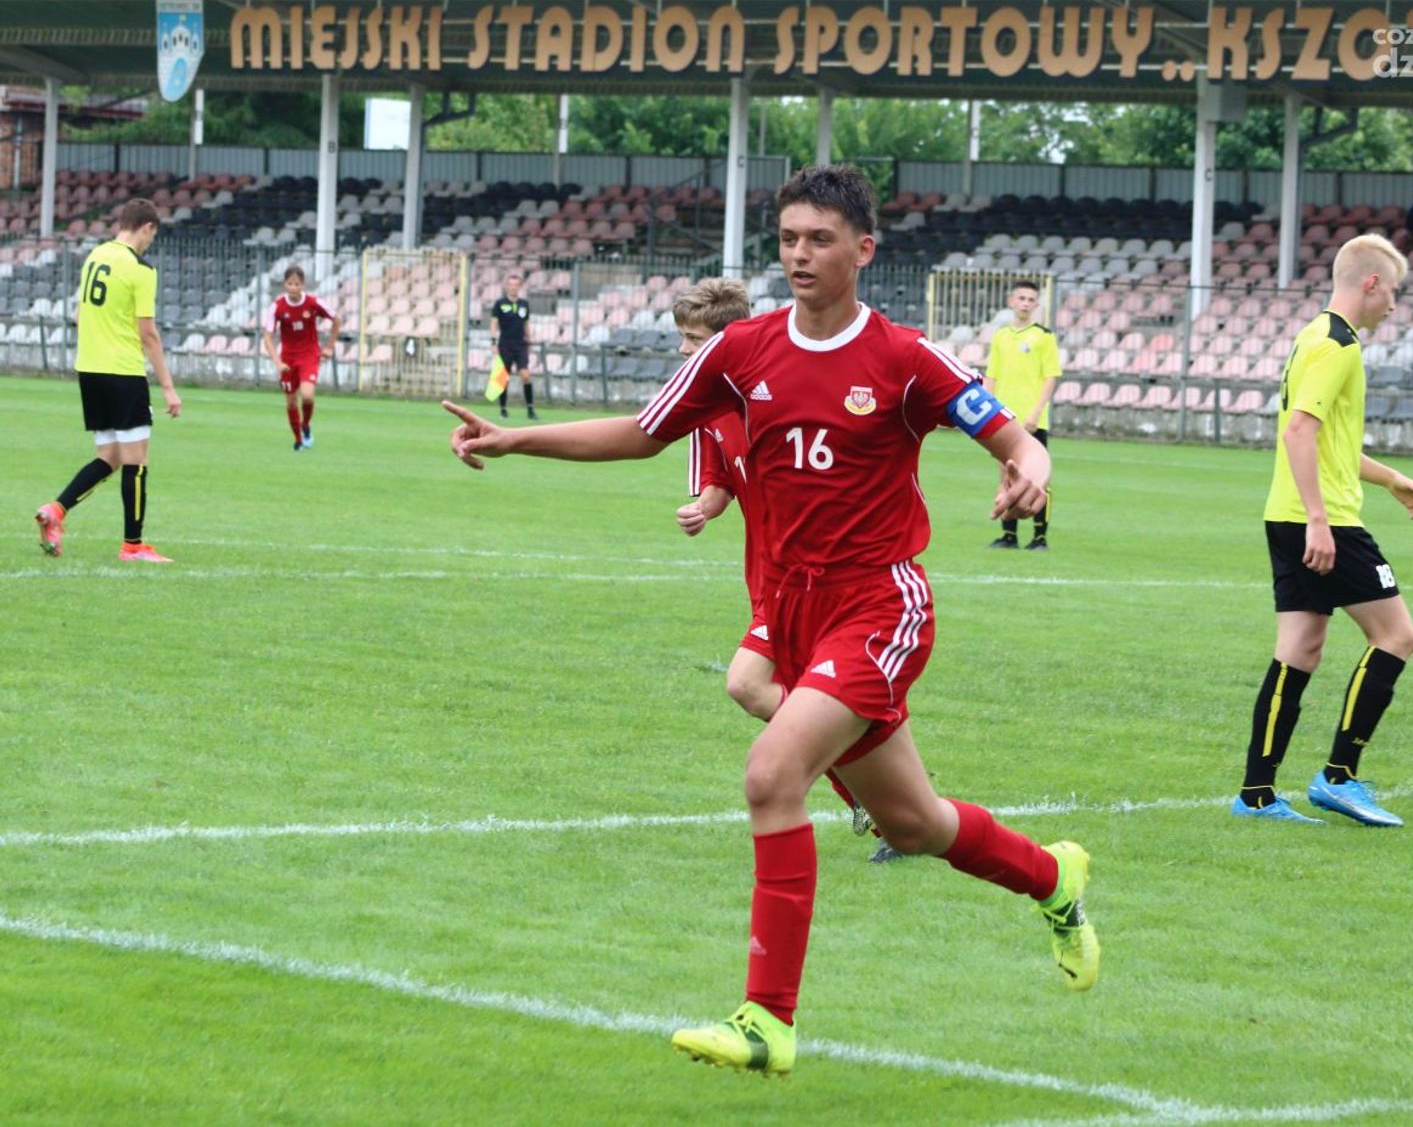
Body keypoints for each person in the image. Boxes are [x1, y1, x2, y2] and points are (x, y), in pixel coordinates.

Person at [443, 165, 1100, 1077]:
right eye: (789, 238)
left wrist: (1031, 468)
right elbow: (643, 431)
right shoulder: (740, 350)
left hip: (878, 603)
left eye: (819, 239)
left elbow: (1012, 433)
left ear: (863, 250)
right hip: (790, 612)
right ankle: (1053, 877)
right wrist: (516, 438)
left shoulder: (904, 357)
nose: (800, 254)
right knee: (914, 824)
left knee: (771, 773)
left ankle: (767, 1022)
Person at [670, 277, 878, 852]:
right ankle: (878, 795)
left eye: (694, 339)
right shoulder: (706, 406)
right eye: (682, 338)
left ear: (727, 340)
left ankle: (871, 785)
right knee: (809, 696)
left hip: (818, 575)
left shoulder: (782, 390)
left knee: (748, 683)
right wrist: (703, 508)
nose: (684, 350)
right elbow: (720, 481)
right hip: (768, 578)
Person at [1233, 233, 1413, 827]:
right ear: (1371, 283)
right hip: (1325, 520)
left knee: (1300, 648)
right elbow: (1299, 432)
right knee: (1397, 636)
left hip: (1286, 514)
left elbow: (1328, 442)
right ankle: (1339, 776)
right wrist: (1320, 521)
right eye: (1393, 291)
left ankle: (1256, 793)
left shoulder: (1313, 335)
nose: (1393, 305)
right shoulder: (1339, 346)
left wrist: (1391, 479)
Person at [33, 198, 181, 563]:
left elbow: (79, 316)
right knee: (137, 459)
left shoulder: (95, 256)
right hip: (123, 371)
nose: (150, 243)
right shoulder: (141, 269)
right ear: (147, 227)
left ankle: (56, 510)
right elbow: (148, 334)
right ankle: (133, 545)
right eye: (152, 236)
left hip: (90, 370)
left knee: (110, 456)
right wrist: (168, 387)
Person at [983, 279, 1060, 551]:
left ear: (1036, 305)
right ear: (1011, 301)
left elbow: (1050, 377)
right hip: (1004, 420)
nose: (1025, 303)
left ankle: (1039, 538)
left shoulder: (1044, 336)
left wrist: (1036, 413)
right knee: (1007, 476)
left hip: (1032, 420)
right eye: (1021, 298)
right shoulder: (1001, 336)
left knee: (1038, 479)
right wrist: (988, 411)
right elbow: (991, 376)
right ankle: (1009, 536)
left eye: (1030, 300)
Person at [261, 265, 337, 451]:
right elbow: (267, 336)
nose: (293, 287)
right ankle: (298, 440)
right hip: (288, 359)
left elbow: (337, 319)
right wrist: (278, 362)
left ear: (303, 285)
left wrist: (329, 346)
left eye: (297, 284)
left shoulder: (313, 303)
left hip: (309, 355)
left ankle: (306, 425)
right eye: (290, 284)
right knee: (291, 401)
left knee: (307, 396)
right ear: (285, 284)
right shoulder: (277, 307)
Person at [488, 273, 537, 420]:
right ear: (506, 286)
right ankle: (503, 409)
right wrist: (493, 342)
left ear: (519, 287)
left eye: (516, 285)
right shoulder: (500, 304)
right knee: (504, 378)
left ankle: (530, 410)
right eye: (511, 285)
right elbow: (494, 324)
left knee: (526, 375)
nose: (513, 287)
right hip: (505, 344)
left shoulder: (524, 304)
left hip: (520, 345)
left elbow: (526, 324)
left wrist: (529, 340)